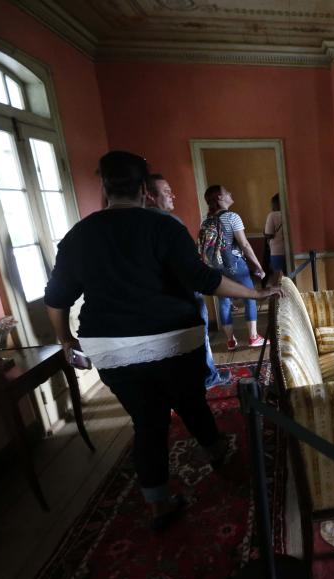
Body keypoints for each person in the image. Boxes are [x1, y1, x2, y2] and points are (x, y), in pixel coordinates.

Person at [44, 151, 281, 532]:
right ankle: (217, 453)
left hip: (110, 348)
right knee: (189, 401)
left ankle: (158, 503)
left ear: (104, 187)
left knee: (147, 422)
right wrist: (255, 296)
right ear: (143, 190)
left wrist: (65, 339)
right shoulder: (164, 227)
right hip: (171, 340)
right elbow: (203, 279)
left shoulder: (79, 235)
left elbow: (56, 298)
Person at [144, 174, 231, 388]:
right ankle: (208, 377)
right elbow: (192, 269)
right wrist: (255, 293)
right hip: (184, 293)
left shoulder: (133, 224)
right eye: (166, 192)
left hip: (156, 300)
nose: (172, 195)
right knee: (199, 337)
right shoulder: (169, 223)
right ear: (149, 196)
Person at [202, 185, 267, 350]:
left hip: (216, 267)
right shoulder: (232, 217)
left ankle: (230, 340)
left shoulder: (207, 220)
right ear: (219, 198)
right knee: (250, 298)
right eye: (226, 192)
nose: (230, 193)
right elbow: (244, 244)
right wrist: (259, 266)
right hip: (235, 265)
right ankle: (253, 337)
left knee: (224, 302)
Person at [263, 193, 285, 286]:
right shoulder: (291, 213)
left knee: (276, 279)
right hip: (291, 252)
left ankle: (274, 299)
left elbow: (269, 234)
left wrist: (264, 231)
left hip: (277, 251)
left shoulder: (272, 215)